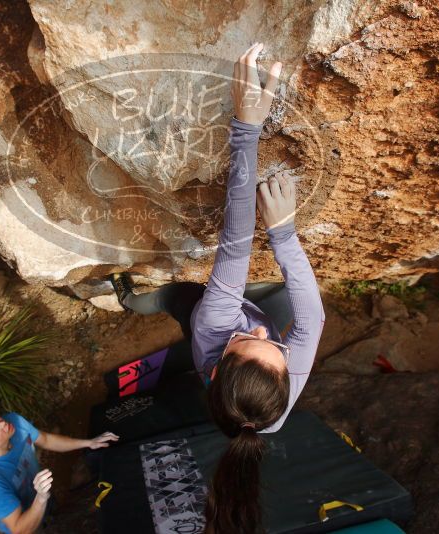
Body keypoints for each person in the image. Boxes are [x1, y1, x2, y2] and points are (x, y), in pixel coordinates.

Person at [110, 42, 325, 534]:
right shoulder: (273, 399)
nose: (276, 340)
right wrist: (285, 238)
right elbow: (312, 320)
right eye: (280, 353)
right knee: (277, 301)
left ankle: (128, 299)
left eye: (260, 344)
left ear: (223, 360)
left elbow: (234, 245)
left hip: (205, 319)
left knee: (173, 297)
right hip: (238, 362)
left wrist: (246, 126)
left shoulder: (213, 327)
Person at [0, 411, 118, 534]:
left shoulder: (14, 422)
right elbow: (19, 528)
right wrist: (40, 497)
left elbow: (45, 440)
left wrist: (89, 443)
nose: (1, 423)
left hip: (44, 497)